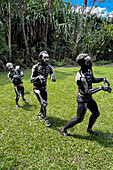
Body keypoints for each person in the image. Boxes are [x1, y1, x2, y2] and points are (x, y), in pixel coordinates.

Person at [60, 53, 112, 137]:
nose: (90, 63)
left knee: (96, 113)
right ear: (83, 64)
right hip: (83, 98)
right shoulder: (80, 77)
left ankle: (89, 129)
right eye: (88, 62)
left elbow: (92, 80)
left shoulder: (88, 70)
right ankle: (63, 129)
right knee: (79, 118)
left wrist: (103, 79)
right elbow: (88, 91)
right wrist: (101, 88)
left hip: (89, 98)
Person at [30, 51, 56, 127]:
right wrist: (38, 77)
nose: (47, 59)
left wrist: (53, 76)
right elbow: (31, 80)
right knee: (43, 104)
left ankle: (39, 114)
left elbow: (52, 74)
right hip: (37, 88)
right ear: (40, 58)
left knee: (44, 103)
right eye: (44, 57)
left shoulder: (49, 67)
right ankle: (46, 119)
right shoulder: (35, 67)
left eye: (48, 57)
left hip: (44, 88)